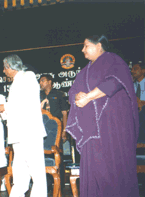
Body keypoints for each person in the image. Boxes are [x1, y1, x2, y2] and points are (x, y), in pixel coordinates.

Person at [66, 35, 139, 197]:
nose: (82, 50)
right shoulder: (85, 70)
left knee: (113, 169)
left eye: (86, 46)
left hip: (112, 127)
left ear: (99, 45)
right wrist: (77, 96)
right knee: (94, 171)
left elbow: (114, 82)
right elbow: (72, 91)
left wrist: (89, 97)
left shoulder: (114, 60)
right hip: (91, 130)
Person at [0, 54, 47, 197]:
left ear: (10, 66)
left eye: (4, 68)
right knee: (19, 172)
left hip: (30, 132)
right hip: (17, 134)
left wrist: (4, 107)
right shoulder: (15, 82)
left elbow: (26, 102)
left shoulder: (28, 76)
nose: (3, 71)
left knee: (36, 172)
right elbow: (14, 110)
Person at [39, 74, 68, 140]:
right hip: (42, 128)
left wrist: (64, 130)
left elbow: (64, 113)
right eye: (40, 81)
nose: (40, 83)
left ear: (49, 82)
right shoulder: (38, 95)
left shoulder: (59, 94)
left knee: (57, 148)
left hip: (56, 126)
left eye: (43, 81)